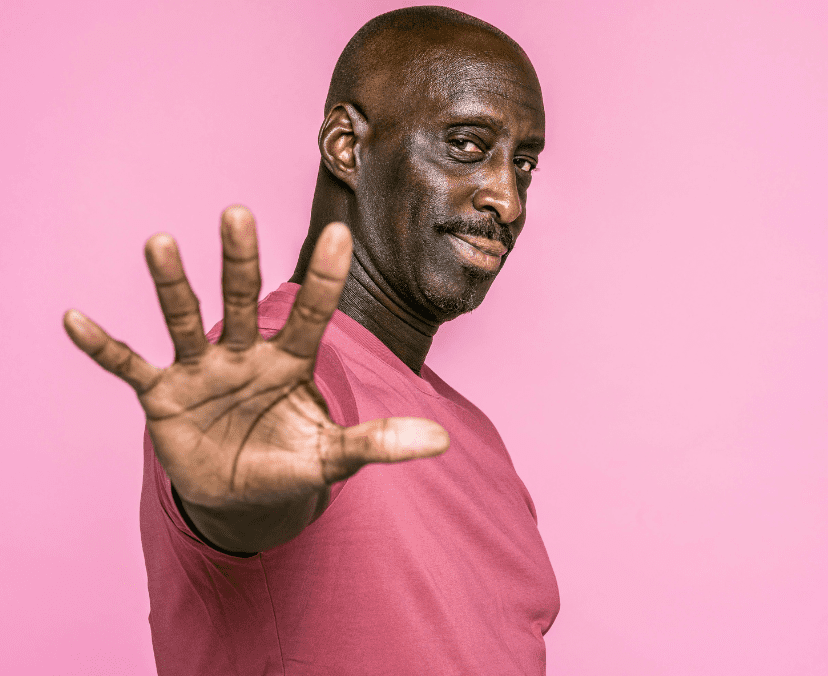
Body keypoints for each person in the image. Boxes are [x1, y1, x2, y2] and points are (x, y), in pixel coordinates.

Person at [64, 6, 558, 675]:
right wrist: (235, 489)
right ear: (346, 147)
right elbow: (256, 485)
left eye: (522, 163)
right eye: (467, 145)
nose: (508, 198)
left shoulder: (477, 437)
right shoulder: (275, 379)